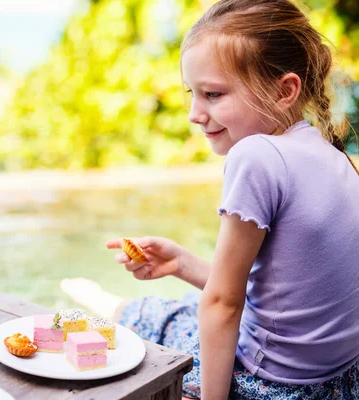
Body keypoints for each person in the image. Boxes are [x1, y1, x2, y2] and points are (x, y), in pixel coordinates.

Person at [61, 0, 359, 398]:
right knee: (187, 304)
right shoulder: (335, 157)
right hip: (338, 383)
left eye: (213, 94)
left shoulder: (256, 155)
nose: (194, 113)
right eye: (192, 94)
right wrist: (181, 262)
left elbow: (222, 305)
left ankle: (111, 306)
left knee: (166, 319)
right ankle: (110, 302)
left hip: (270, 386)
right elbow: (282, 299)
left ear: (284, 90)